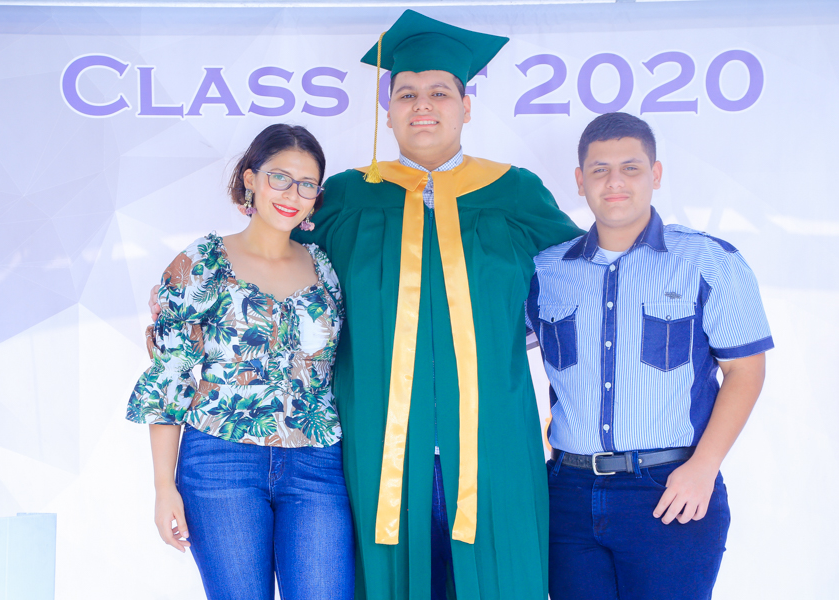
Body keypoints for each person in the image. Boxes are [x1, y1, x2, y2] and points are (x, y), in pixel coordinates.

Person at [148, 12, 579, 599]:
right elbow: (276, 257)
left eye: (439, 93)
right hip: (377, 451)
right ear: (388, 110)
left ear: (466, 106)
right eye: (406, 93)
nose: (422, 105)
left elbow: (582, 286)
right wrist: (183, 299)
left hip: (494, 444)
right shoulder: (349, 197)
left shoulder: (516, 192)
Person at [527, 112, 773, 600]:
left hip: (669, 490)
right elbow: (489, 351)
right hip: (568, 495)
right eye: (599, 169)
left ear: (655, 174)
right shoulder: (546, 270)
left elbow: (745, 371)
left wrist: (704, 467)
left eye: (631, 168)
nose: (614, 181)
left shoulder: (708, 261)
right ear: (579, 180)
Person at [127, 124, 354, 600]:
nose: (291, 194)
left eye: (307, 184)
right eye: (279, 177)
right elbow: (170, 377)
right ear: (250, 179)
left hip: (317, 464)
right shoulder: (203, 261)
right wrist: (163, 487)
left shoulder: (326, 267)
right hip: (220, 461)